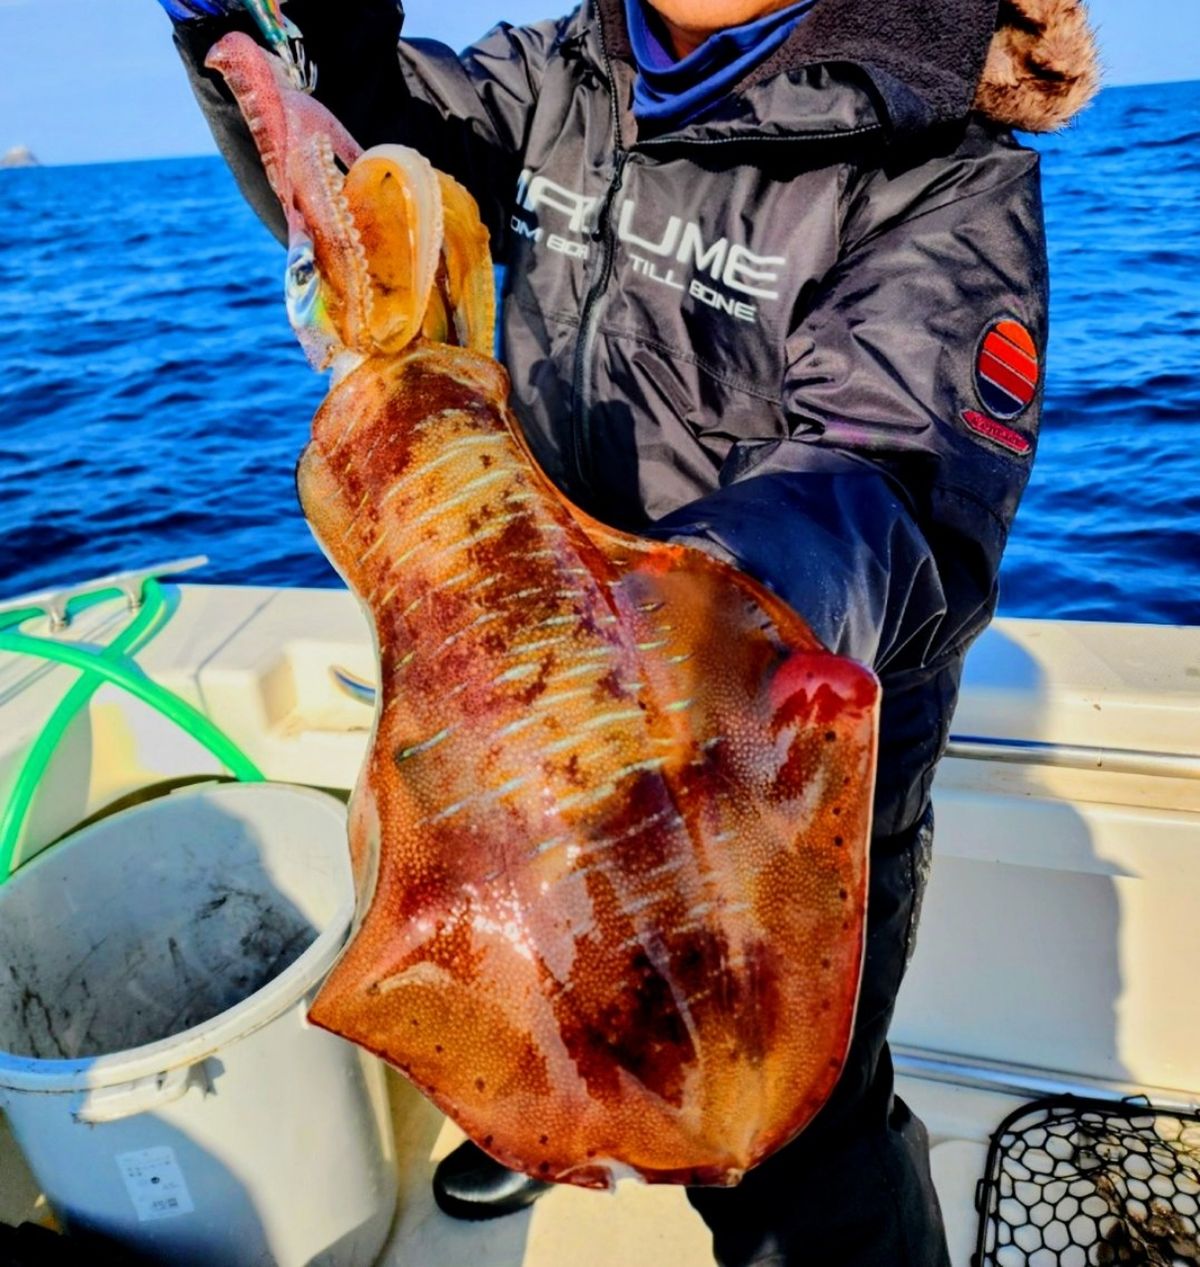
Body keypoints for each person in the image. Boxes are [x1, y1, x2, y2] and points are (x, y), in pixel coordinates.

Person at [158, 0, 1099, 1261]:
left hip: (769, 740)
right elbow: (371, 167)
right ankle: (542, 1122)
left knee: (786, 1127)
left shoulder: (936, 174)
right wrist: (265, 18)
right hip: (521, 700)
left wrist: (730, 609)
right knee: (545, 990)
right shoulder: (556, 76)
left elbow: (890, 470)